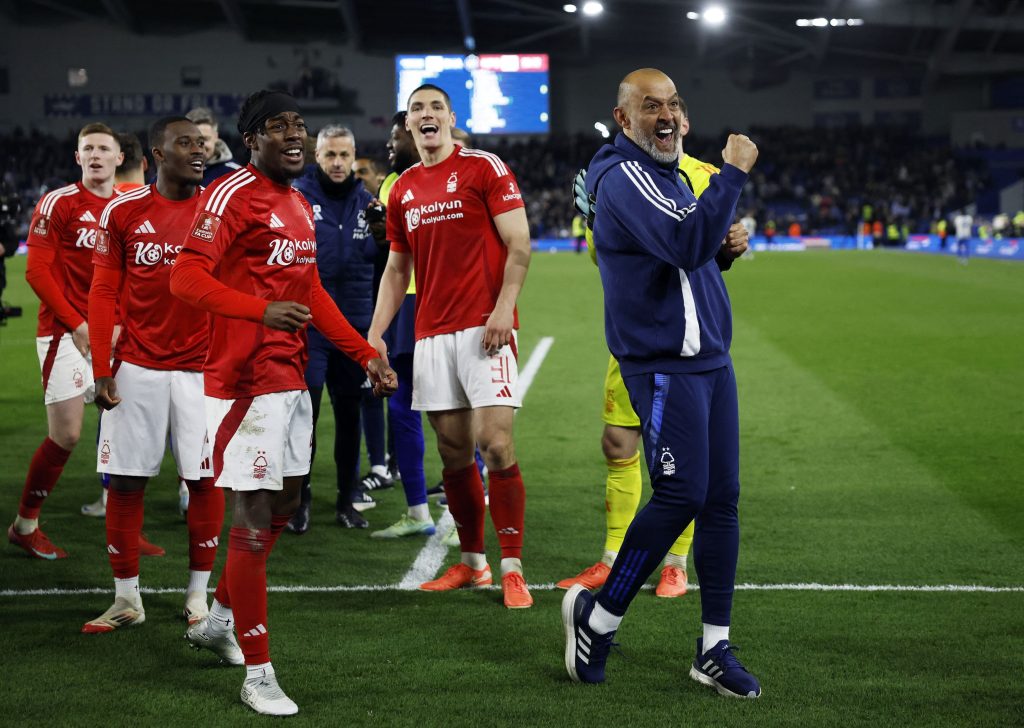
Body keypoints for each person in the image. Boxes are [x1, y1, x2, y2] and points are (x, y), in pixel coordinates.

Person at [169, 90, 396, 716]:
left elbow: (311, 290)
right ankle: (258, 672)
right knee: (251, 519)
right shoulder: (230, 195)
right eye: (279, 126)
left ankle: (219, 618)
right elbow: (184, 276)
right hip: (243, 382)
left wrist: (365, 354)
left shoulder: (296, 202)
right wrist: (259, 310)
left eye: (300, 124)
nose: (295, 133)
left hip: (290, 375)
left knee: (287, 503)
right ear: (252, 139)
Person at [561, 68, 761, 699]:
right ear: (624, 119)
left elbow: (690, 255)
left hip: (710, 362)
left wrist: (722, 249)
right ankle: (598, 618)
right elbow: (682, 243)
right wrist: (732, 175)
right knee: (680, 495)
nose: (667, 115)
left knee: (721, 499)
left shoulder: (666, 174)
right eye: (651, 106)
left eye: (673, 103)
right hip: (664, 364)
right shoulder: (623, 176)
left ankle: (713, 648)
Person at [367, 84, 534, 608]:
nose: (427, 114)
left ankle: (512, 567)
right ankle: (473, 563)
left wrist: (504, 308)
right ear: (408, 124)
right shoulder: (403, 189)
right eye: (417, 108)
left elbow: (519, 244)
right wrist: (375, 332)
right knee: (453, 451)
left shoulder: (484, 167)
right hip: (431, 334)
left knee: (495, 444)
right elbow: (397, 269)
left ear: (451, 118)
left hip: (486, 327)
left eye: (436, 107)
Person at [81, 116, 229, 634]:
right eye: (185, 143)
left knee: (205, 482)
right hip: (137, 368)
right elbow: (103, 290)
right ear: (158, 155)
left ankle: (197, 596)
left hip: (203, 373)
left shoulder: (219, 211)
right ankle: (126, 599)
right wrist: (102, 369)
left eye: (201, 143)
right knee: (124, 484)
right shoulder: (123, 210)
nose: (198, 151)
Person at [9, 123, 123, 560]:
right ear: (78, 158)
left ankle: (125, 532)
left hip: (115, 335)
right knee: (68, 434)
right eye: (87, 148)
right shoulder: (58, 202)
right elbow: (37, 271)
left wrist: (120, 325)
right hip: (64, 333)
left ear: (118, 158)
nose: (95, 154)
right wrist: (78, 324)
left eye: (104, 148)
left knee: (125, 434)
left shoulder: (129, 205)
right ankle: (25, 525)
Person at [290, 124, 382, 531]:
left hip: (354, 329)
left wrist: (383, 237)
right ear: (317, 157)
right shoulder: (297, 198)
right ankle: (300, 499)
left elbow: (383, 264)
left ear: (354, 156)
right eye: (330, 154)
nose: (338, 162)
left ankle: (346, 500)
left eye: (345, 155)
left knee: (349, 417)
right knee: (303, 418)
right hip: (309, 328)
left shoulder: (369, 205)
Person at [369, 110, 433, 539]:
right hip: (402, 303)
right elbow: (393, 256)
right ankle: (417, 510)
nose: (390, 146)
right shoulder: (391, 183)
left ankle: (468, 503)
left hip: (438, 303)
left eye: (396, 137)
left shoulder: (449, 176)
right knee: (401, 406)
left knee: (455, 411)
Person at [185, 107, 243, 186]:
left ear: (216, 137)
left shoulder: (236, 175)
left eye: (205, 139)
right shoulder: (173, 172)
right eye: (192, 140)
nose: (198, 147)